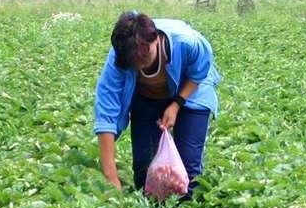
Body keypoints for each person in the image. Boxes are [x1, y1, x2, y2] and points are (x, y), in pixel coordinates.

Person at [93, 11, 221, 197]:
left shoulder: (185, 42)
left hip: (191, 91)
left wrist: (177, 104)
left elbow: (199, 71)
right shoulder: (121, 56)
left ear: (156, 40)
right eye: (135, 64)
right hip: (146, 98)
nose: (141, 66)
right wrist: (111, 176)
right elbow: (106, 112)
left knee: (187, 170)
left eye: (145, 57)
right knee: (145, 168)